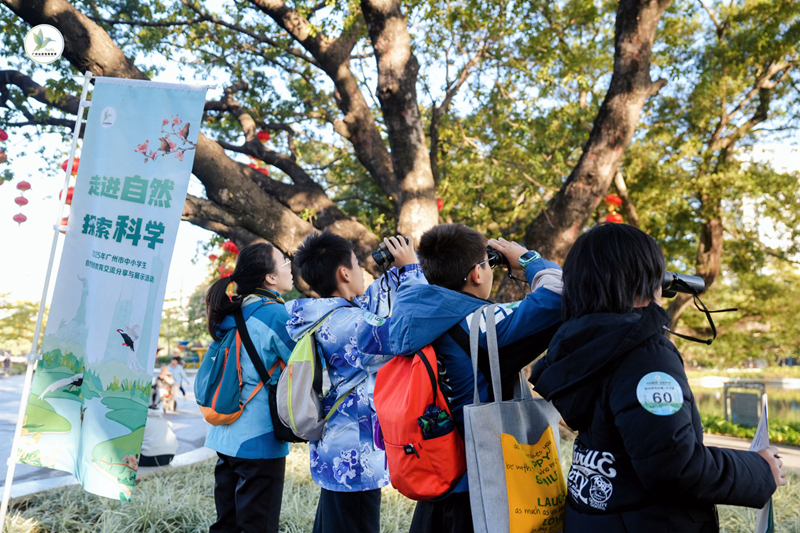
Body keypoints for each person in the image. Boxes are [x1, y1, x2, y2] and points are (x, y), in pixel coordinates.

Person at [529, 223, 786, 533]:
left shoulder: (581, 348)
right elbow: (673, 467)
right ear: (645, 280)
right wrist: (760, 469)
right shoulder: (644, 356)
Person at [387, 224, 564, 533]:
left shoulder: (405, 317)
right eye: (487, 262)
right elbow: (559, 294)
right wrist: (527, 258)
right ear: (477, 274)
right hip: (483, 489)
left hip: (435, 481)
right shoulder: (480, 324)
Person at [286, 232, 424, 533]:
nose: (364, 271)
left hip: (337, 446)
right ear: (344, 273)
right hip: (355, 459)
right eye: (358, 265)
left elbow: (371, 300)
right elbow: (408, 332)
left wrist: (399, 268)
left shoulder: (329, 315)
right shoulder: (350, 324)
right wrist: (411, 270)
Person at [203, 242, 296, 533]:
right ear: (269, 277)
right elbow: (303, 366)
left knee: (226, 524)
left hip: (224, 434)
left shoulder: (230, 312)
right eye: (283, 261)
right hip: (259, 439)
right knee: (258, 526)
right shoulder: (276, 315)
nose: (290, 266)